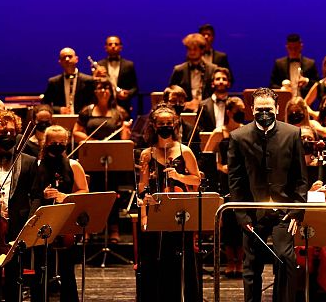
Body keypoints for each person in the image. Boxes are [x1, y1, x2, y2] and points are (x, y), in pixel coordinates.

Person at [228, 87, 308, 302]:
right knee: (252, 266)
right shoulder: (238, 137)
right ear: (251, 109)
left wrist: (297, 211)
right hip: (253, 212)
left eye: (268, 109)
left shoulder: (292, 134)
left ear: (277, 108)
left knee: (285, 258)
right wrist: (241, 215)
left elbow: (300, 178)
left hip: (284, 212)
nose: (264, 113)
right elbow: (235, 181)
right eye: (260, 109)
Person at [138, 105, 201, 300]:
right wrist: (145, 198)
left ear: (174, 125)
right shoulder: (147, 153)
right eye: (161, 124)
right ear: (154, 126)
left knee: (182, 258)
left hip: (180, 213)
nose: (165, 126)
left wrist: (178, 176)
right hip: (157, 212)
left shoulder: (185, 151)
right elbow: (142, 186)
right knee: (156, 259)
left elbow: (196, 180)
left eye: (168, 123)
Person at [0, 110, 38, 302]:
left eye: (12, 132)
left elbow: (36, 196)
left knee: (15, 279)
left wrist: (30, 224)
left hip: (17, 226)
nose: (7, 135)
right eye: (2, 132)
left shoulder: (29, 162)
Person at [30, 125, 89, 302]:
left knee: (67, 266)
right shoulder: (35, 165)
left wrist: (66, 196)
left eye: (61, 142)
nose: (57, 145)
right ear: (45, 143)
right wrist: (42, 194)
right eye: (53, 142)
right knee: (41, 265)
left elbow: (84, 191)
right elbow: (29, 193)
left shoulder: (73, 165)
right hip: (44, 219)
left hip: (66, 221)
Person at [73, 79, 131, 241]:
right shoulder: (87, 111)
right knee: (90, 194)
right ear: (95, 91)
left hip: (112, 161)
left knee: (112, 195)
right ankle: (87, 228)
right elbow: (76, 132)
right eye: (100, 88)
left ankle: (114, 229)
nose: (104, 91)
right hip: (91, 159)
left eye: (107, 88)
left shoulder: (119, 112)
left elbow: (124, 138)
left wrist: (125, 133)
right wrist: (92, 142)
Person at [203, 97, 246, 277]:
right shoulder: (219, 132)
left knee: (242, 221)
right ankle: (229, 261)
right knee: (227, 222)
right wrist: (221, 167)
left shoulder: (246, 131)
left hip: (242, 181)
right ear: (229, 112)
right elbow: (207, 156)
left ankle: (241, 261)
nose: (242, 112)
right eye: (238, 109)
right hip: (225, 180)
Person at [169, 33, 218, 112]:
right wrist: (185, 104)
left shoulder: (212, 69)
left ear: (202, 50)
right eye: (189, 49)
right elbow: (171, 94)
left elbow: (217, 93)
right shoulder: (179, 70)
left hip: (208, 112)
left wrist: (202, 104)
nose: (192, 52)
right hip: (184, 112)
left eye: (195, 49)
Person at [42, 47, 95, 114]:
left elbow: (94, 102)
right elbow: (45, 104)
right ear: (60, 62)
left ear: (76, 59)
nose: (67, 59)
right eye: (64, 57)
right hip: (61, 120)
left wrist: (85, 111)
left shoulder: (89, 80)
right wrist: (59, 109)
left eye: (70, 56)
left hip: (84, 120)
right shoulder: (53, 82)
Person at [96, 35, 139, 113]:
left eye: (116, 44)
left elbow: (135, 88)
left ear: (121, 47)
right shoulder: (99, 65)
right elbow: (94, 87)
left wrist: (127, 94)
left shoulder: (129, 65)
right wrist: (96, 75)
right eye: (110, 44)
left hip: (123, 106)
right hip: (104, 107)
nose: (113, 46)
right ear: (105, 47)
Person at [199, 67, 232, 132]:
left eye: (224, 79)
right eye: (218, 79)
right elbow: (200, 129)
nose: (221, 81)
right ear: (212, 84)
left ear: (229, 84)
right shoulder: (203, 105)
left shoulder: (233, 104)